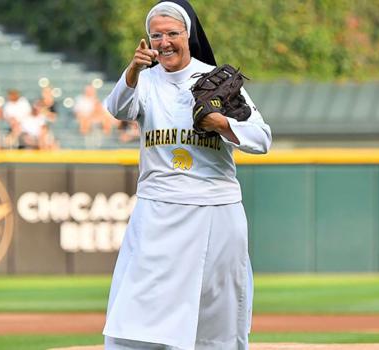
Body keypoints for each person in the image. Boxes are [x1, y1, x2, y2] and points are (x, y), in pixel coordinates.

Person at [102, 1, 272, 349]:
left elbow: (262, 139)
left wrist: (222, 123)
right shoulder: (144, 81)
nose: (164, 42)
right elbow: (117, 108)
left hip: (217, 212)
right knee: (135, 308)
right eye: (156, 35)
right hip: (159, 211)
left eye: (172, 34)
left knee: (217, 314)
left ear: (188, 35)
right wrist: (132, 71)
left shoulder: (216, 81)